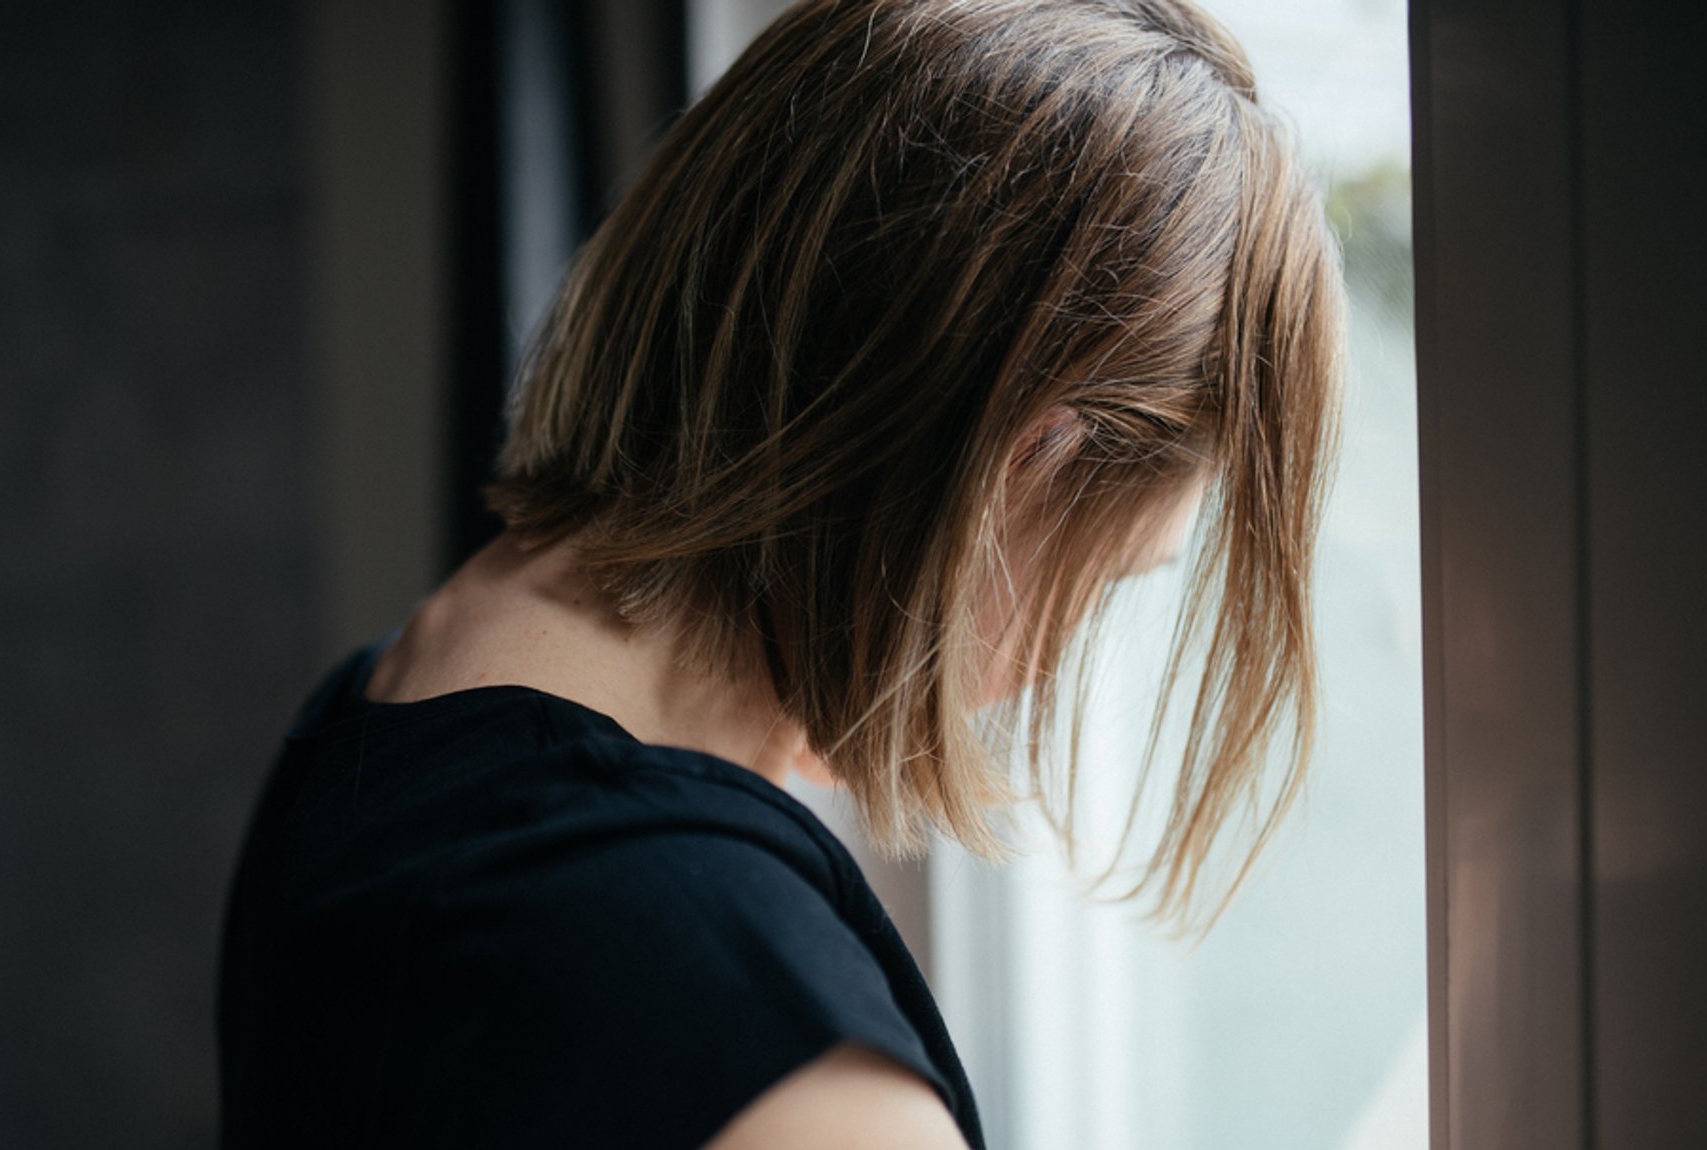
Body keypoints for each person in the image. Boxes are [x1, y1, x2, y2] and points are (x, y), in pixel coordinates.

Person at [216, 0, 1341, 1146]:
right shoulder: (798, 1079)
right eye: (1104, 579)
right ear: (1015, 471)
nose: (1053, 660)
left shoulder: (392, 699)